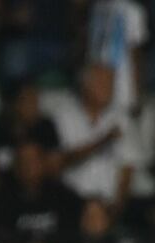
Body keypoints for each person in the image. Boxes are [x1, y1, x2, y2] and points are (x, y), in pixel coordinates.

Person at [52, 63, 142, 212]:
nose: (109, 88)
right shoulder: (63, 115)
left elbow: (128, 167)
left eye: (111, 83)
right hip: (71, 202)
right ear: (86, 84)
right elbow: (61, 161)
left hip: (107, 205)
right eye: (102, 83)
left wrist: (118, 205)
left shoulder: (121, 118)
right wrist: (103, 140)